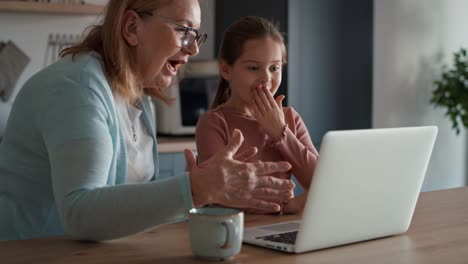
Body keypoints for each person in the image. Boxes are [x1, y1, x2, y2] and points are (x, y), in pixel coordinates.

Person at [0, 0, 296, 241]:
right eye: (184, 30)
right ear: (131, 27)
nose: (193, 48)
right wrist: (195, 188)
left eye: (196, 35)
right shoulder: (76, 87)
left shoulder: (138, 97)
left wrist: (204, 190)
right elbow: (80, 214)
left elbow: (132, 208)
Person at [196, 16, 318, 214]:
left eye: (274, 68)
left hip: (282, 230)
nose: (266, 78)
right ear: (226, 70)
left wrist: (280, 133)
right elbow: (219, 195)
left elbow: (324, 182)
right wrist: (289, 206)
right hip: (237, 234)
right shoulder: (213, 123)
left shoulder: (290, 119)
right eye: (253, 68)